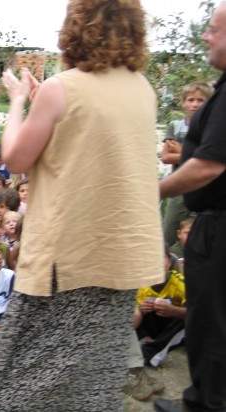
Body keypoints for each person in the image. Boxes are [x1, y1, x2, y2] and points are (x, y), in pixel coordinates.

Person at [0, 1, 163, 410]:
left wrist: (20, 100)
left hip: (70, 255)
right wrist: (45, 101)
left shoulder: (63, 87)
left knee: (31, 368)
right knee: (94, 367)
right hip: (119, 253)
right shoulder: (142, 88)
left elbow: (16, 158)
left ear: (76, 29)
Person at [155, 3, 226, 411]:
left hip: (220, 230)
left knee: (212, 323)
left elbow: (208, 166)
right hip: (214, 224)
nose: (204, 36)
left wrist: (155, 190)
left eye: (213, 30)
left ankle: (204, 404)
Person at [161, 82, 212, 247]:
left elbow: (211, 160)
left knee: (202, 236)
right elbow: (166, 157)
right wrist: (195, 156)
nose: (195, 104)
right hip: (179, 187)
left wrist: (182, 151)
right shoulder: (175, 126)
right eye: (191, 100)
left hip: (205, 188)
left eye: (200, 100)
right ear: (183, 102)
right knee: (168, 233)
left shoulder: (214, 128)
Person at [135, 249, 186, 368]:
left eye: (160, 258)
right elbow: (136, 311)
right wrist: (141, 309)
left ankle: (151, 353)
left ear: (169, 261)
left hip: (171, 327)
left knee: (186, 316)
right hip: (152, 326)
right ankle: (142, 338)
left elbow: (198, 311)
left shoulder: (179, 282)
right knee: (137, 308)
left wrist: (173, 310)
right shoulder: (141, 283)